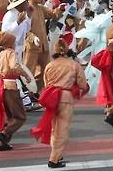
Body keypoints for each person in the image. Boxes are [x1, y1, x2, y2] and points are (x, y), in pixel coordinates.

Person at [30, 38, 89, 168]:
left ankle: (57, 153)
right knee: (63, 129)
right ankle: (54, 158)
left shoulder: (50, 65)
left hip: (51, 98)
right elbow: (82, 84)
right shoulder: (74, 64)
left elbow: (46, 83)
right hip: (66, 98)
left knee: (54, 128)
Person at [0, 32, 31, 151]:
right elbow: (14, 66)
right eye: (14, 41)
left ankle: (2, 143)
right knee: (20, 116)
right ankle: (4, 134)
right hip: (10, 86)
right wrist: (26, 75)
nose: (15, 43)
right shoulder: (11, 53)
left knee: (9, 116)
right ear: (10, 43)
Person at [24, 0, 61, 91]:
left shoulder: (41, 8)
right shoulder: (28, 10)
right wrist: (33, 38)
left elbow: (53, 14)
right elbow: (25, 30)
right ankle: (27, 92)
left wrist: (60, 10)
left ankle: (34, 91)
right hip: (32, 46)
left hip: (43, 45)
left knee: (46, 70)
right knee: (29, 71)